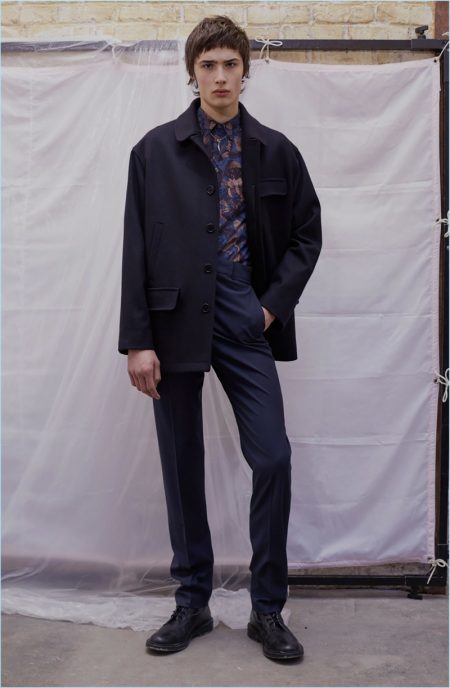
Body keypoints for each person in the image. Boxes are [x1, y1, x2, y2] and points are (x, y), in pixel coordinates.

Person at [118, 15, 322, 661]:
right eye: (208, 65)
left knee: (273, 457)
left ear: (245, 71)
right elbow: (135, 248)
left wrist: (269, 309)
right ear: (193, 72)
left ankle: (267, 609)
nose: (220, 76)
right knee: (181, 461)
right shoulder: (154, 151)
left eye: (231, 64)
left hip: (242, 309)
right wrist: (137, 340)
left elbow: (307, 235)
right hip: (172, 313)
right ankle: (192, 603)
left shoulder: (275, 150)